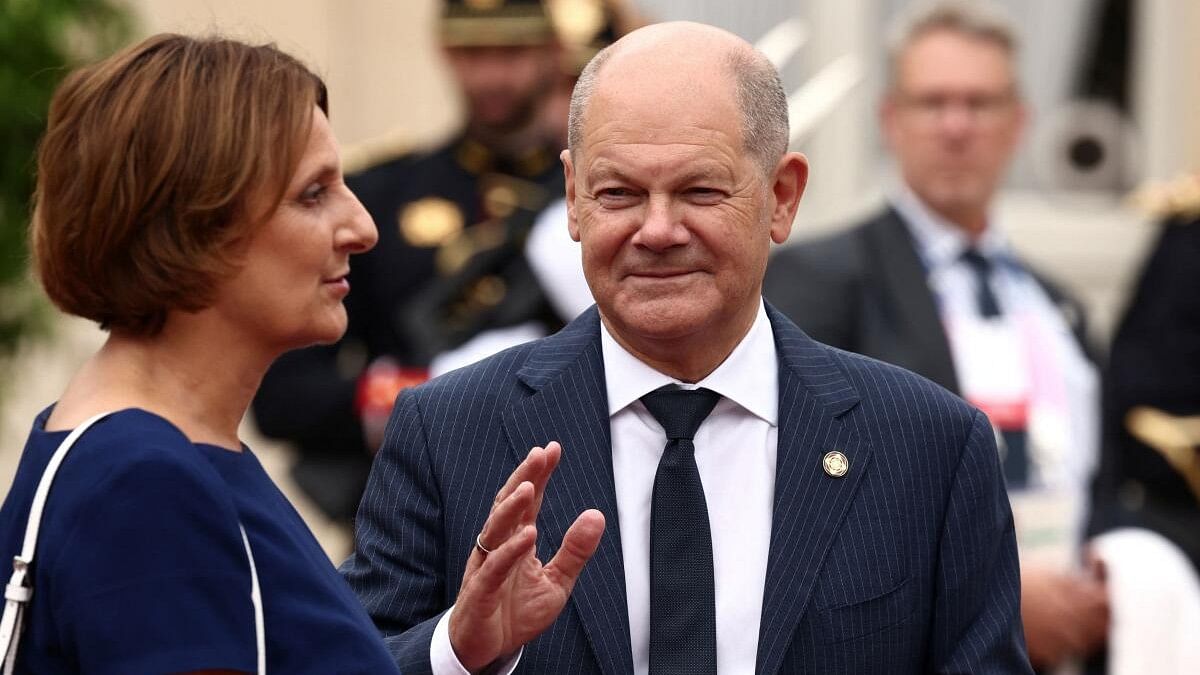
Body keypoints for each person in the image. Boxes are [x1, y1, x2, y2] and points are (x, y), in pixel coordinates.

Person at [343, 20, 1032, 674]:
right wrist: (456, 652)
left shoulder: (929, 447)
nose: (658, 229)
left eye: (700, 191)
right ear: (574, 198)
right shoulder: (446, 433)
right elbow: (347, 657)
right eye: (619, 193)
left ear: (783, 196)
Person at [763, 1, 1186, 671]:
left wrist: (1109, 583)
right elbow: (793, 497)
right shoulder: (821, 279)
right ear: (890, 120)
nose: (956, 126)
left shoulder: (1058, 306)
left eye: (980, 102)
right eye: (933, 102)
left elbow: (1101, 480)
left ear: (1019, 122)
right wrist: (998, 595)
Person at [0, 34, 400, 673]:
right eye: (312, 194)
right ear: (193, 225)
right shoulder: (145, 483)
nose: (362, 228)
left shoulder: (150, 450)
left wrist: (458, 649)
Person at [252, 0, 568, 525]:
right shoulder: (383, 193)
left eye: (512, 51)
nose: (491, 75)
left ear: (553, 53)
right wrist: (428, 389)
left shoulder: (595, 197)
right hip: (412, 517)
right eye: (473, 53)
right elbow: (286, 394)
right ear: (444, 51)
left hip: (572, 507)